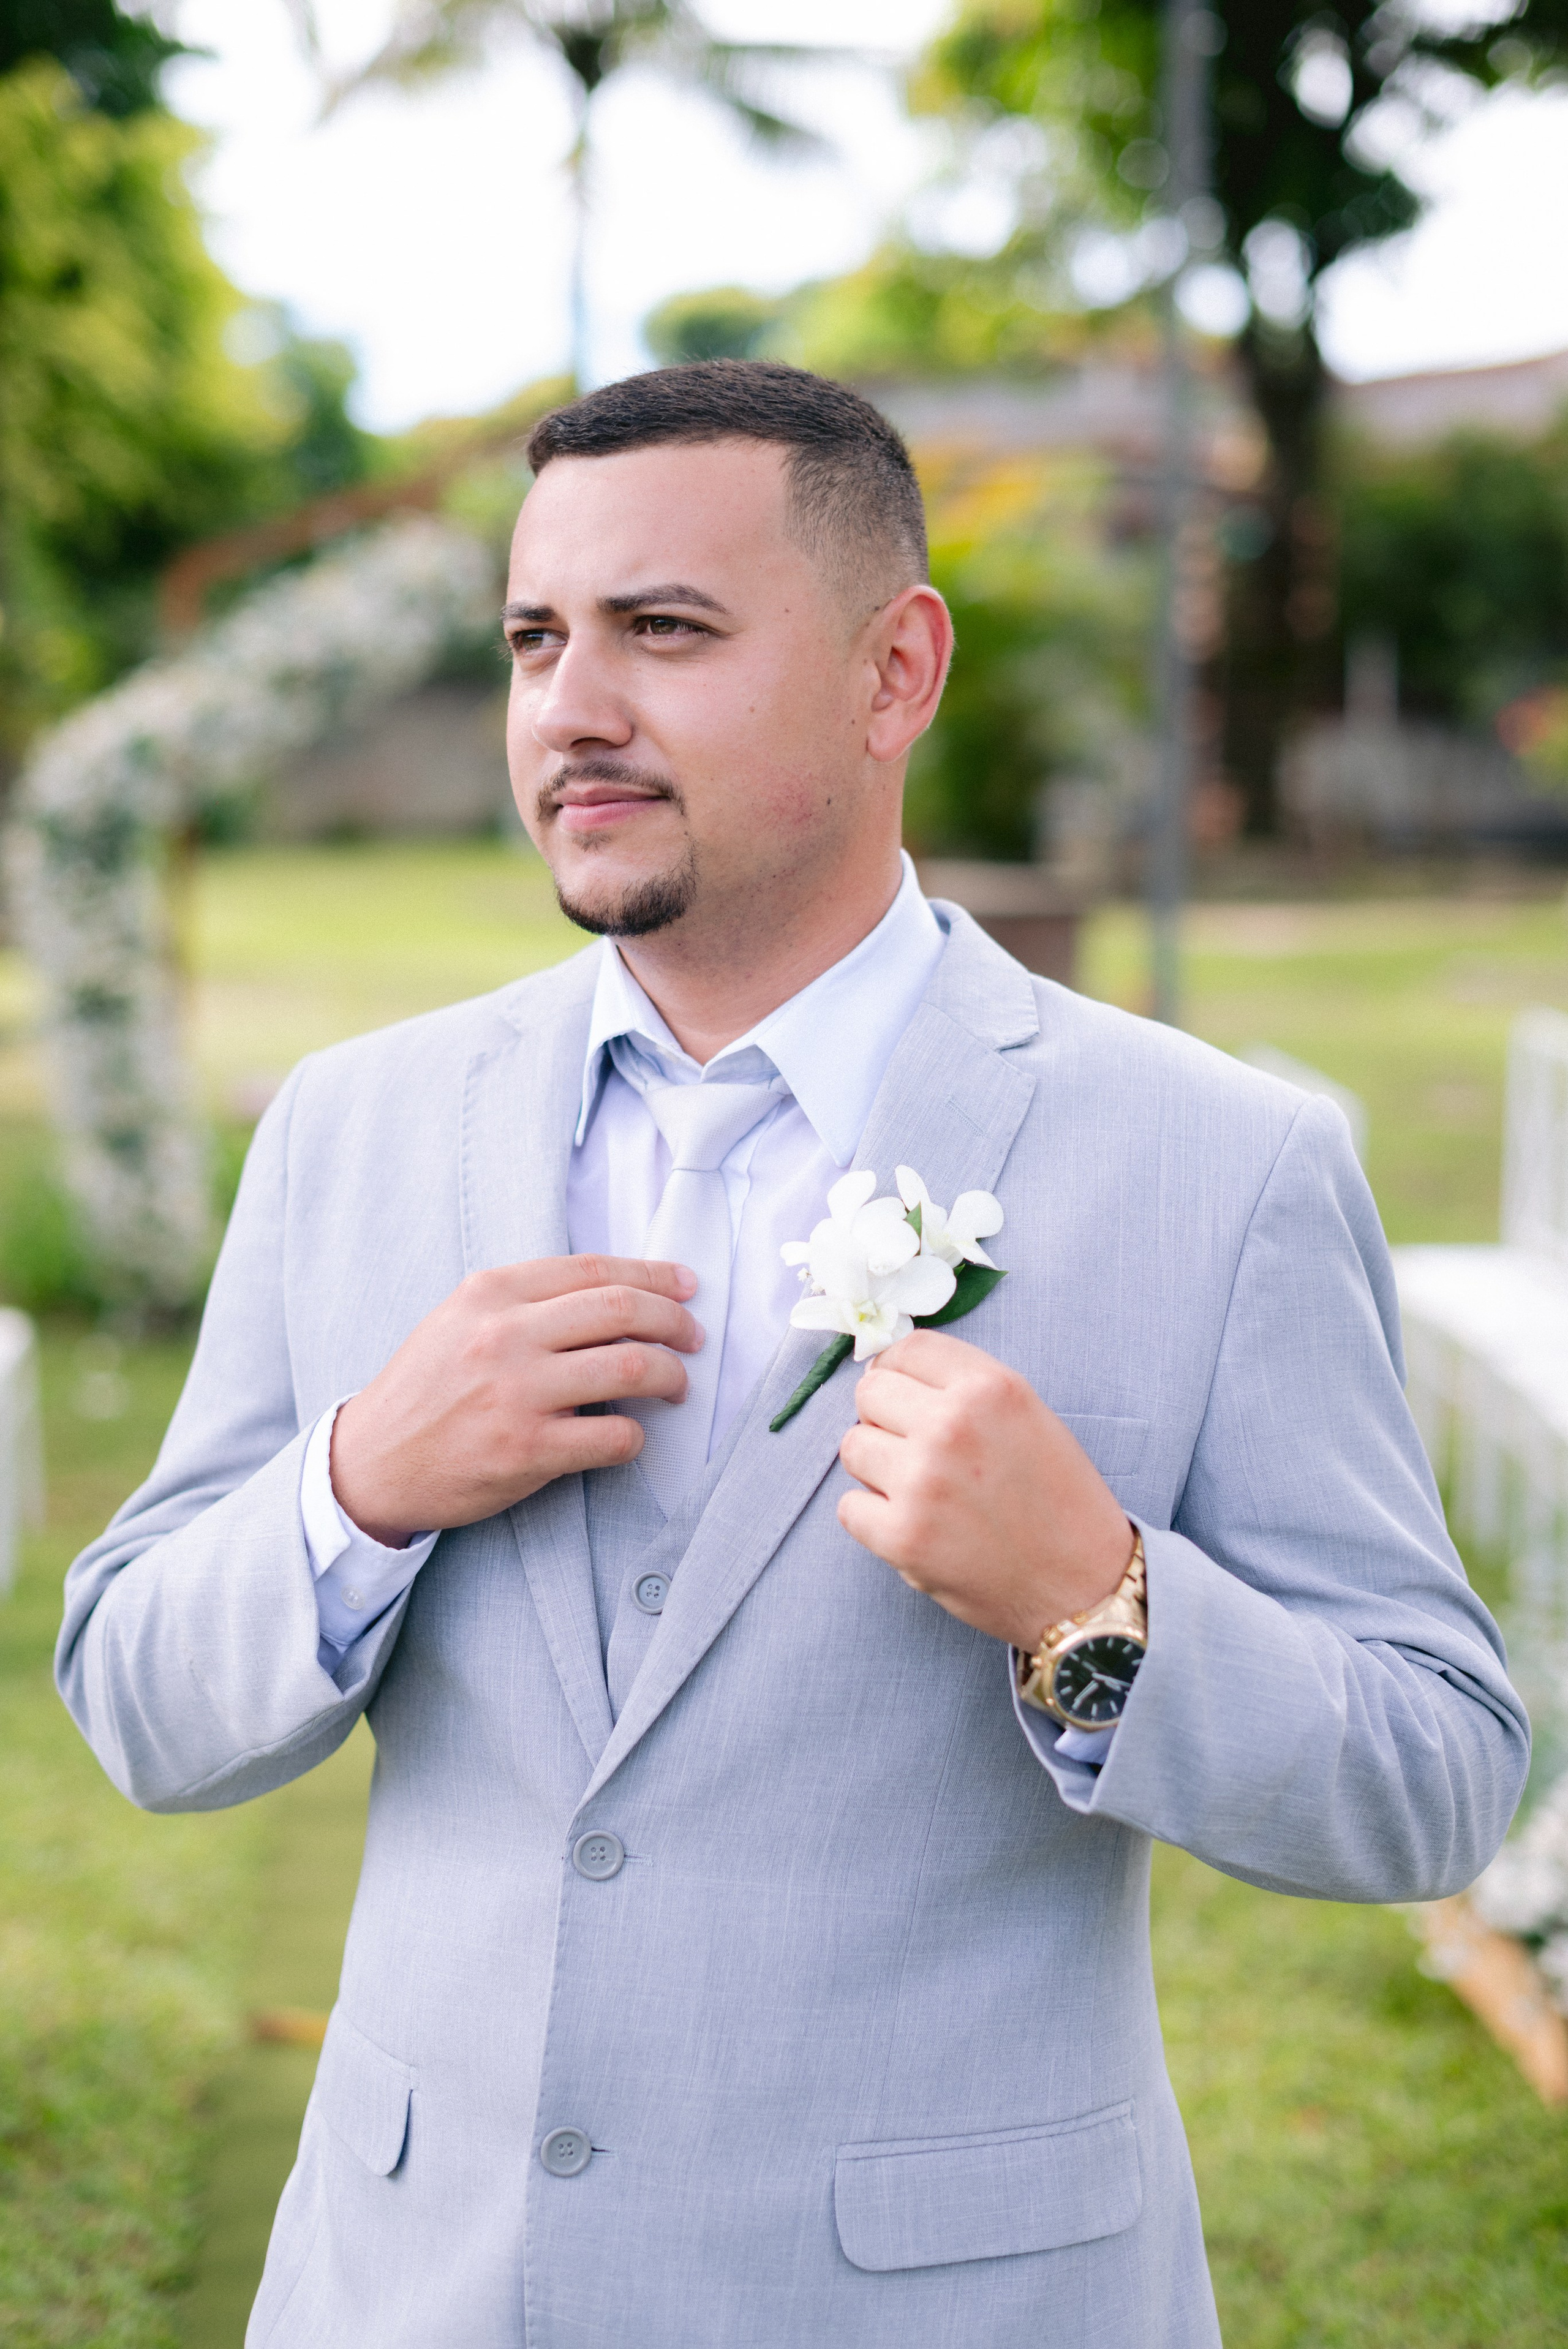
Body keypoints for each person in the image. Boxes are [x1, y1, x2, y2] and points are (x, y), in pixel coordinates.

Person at [58, 361, 1526, 2349]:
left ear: (892, 670)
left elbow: (1436, 1774)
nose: (573, 707)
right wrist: (358, 1482)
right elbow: (139, 1696)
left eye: (664, 630)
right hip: (411, 2294)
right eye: (534, 638)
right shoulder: (356, 1124)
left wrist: (1098, 1609)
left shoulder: (1222, 1164)